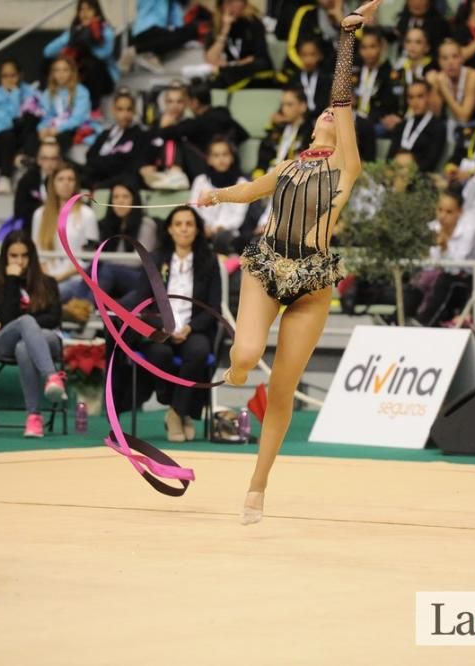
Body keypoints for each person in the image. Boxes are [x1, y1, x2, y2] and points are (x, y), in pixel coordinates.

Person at [196, 0, 378, 525]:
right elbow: (251, 189)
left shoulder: (346, 166)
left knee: (281, 391)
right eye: (323, 113)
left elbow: (340, 98)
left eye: (333, 114)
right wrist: (217, 196)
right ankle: (234, 370)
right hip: (267, 267)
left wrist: (347, 37)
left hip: (312, 282)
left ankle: (257, 488)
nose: (327, 114)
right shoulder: (292, 163)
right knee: (248, 356)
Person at [134, 206, 222, 442]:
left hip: (194, 328)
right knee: (160, 354)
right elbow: (143, 301)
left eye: (189, 224)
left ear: (197, 230)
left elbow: (214, 307)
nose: (184, 229)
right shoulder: (155, 260)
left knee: (199, 351)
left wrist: (190, 328)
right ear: (170, 230)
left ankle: (175, 413)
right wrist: (163, 325)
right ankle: (181, 410)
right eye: (179, 224)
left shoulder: (209, 261)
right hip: (160, 330)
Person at [0, 231, 66, 438]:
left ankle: (34, 418)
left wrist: (29, 332)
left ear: (32, 257)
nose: (20, 261)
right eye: (14, 256)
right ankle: (52, 376)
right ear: (5, 257)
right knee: (25, 323)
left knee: (25, 346)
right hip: (7, 341)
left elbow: (54, 318)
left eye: (24, 256)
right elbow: (8, 318)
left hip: (48, 339)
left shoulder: (48, 282)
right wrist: (12, 281)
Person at [412, 188, 475, 326]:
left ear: (460, 212)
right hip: (439, 276)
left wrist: (445, 248)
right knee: (417, 280)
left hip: (469, 281)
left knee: (444, 280)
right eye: (439, 210)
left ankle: (423, 323)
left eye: (449, 212)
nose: (442, 216)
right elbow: (428, 265)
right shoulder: (432, 228)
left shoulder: (469, 231)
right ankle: (397, 319)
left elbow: (456, 267)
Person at [31, 163, 98, 301]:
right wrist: (47, 278)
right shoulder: (40, 215)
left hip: (76, 279)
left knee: (50, 295)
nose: (66, 183)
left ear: (76, 184)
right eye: (61, 179)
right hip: (45, 277)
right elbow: (36, 253)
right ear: (53, 184)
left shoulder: (87, 214)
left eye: (70, 179)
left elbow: (89, 259)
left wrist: (60, 277)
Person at [43, 0, 119, 104]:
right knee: (48, 64)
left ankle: (94, 108)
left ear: (96, 12)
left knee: (93, 64)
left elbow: (104, 54)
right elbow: (47, 52)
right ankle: (47, 101)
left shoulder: (106, 30)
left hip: (103, 80)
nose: (85, 13)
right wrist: (71, 38)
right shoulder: (74, 31)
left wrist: (88, 38)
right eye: (81, 9)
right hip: (79, 77)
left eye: (89, 9)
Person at [188, 137, 249, 251]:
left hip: (227, 233)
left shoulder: (242, 183)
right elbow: (194, 208)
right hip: (202, 230)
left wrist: (219, 228)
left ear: (232, 158)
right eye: (216, 155)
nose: (221, 159)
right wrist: (204, 227)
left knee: (225, 238)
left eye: (225, 154)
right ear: (209, 159)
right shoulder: (200, 181)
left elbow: (238, 215)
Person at [82, 88, 149, 189]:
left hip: (117, 183)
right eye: (120, 109)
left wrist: (105, 162)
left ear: (134, 111)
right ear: (113, 110)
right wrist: (112, 161)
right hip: (95, 178)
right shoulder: (105, 134)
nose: (124, 114)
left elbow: (129, 168)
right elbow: (90, 157)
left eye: (129, 109)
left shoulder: (140, 135)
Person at [425, 39, 475, 123]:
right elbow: (434, 115)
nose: (450, 62)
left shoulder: (473, 76)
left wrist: (445, 90)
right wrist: (433, 87)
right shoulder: (440, 79)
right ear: (439, 62)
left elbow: (464, 118)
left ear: (462, 58)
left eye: (455, 57)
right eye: (445, 58)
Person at [13, 138, 61, 234]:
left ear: (59, 160)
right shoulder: (27, 181)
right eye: (45, 158)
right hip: (32, 229)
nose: (49, 163)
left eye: (53, 159)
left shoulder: (66, 179)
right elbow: (19, 211)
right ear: (38, 160)